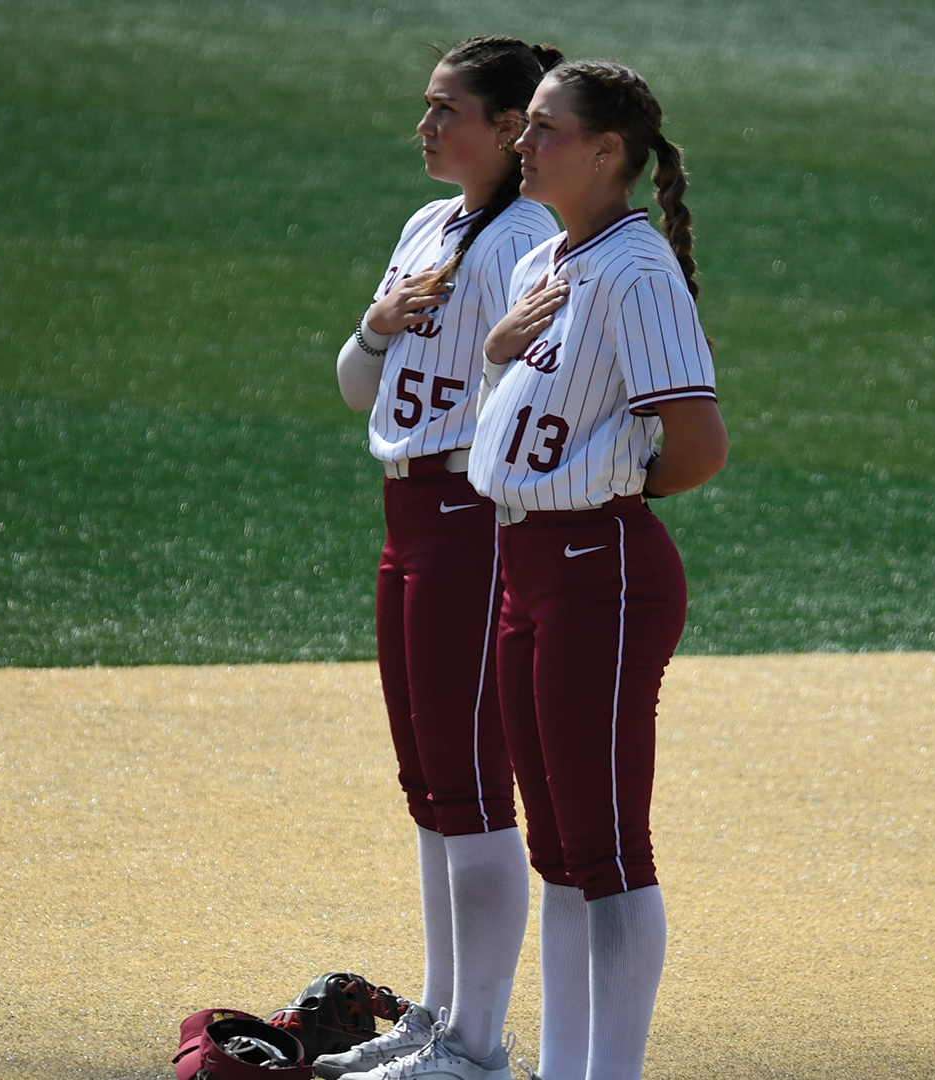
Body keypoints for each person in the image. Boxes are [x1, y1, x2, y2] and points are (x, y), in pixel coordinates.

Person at [468, 60, 728, 1080]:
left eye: (545, 129)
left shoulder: (633, 269)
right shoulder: (560, 262)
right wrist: (495, 350)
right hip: (533, 570)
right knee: (562, 855)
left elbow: (698, 445)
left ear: (606, 153)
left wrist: (613, 488)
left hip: (599, 570)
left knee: (610, 853)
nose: (524, 143)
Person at [327, 34, 565, 1080]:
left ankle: (476, 1046)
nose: (423, 127)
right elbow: (354, 388)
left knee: (472, 782)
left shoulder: (529, 242)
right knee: (428, 781)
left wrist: (497, 357)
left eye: (444, 110)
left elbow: (547, 392)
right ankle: (438, 1015)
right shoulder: (429, 223)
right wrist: (378, 326)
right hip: (407, 517)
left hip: (473, 518)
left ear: (509, 131)